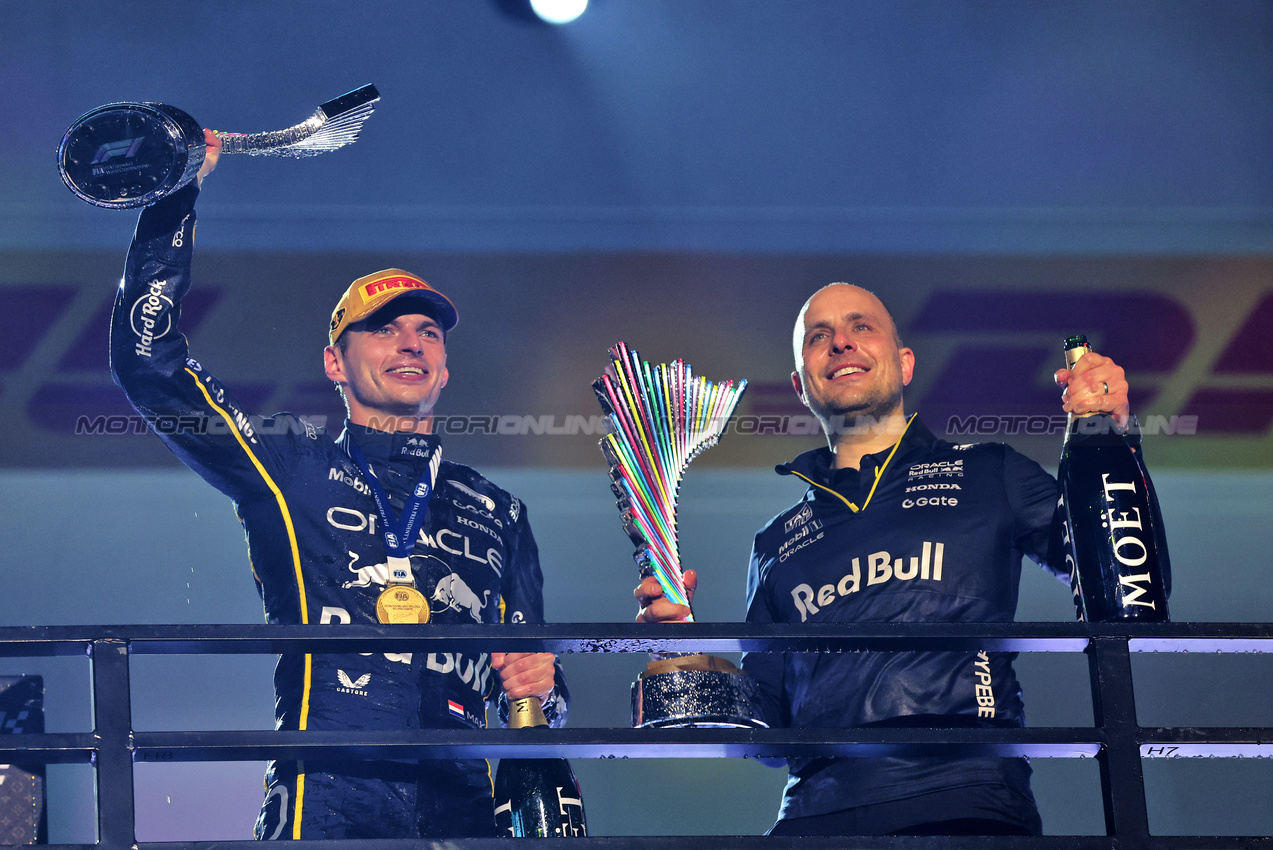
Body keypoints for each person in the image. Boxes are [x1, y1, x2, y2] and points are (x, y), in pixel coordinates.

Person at [111, 131, 568, 840]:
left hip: (462, 809)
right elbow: (151, 367)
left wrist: (543, 687)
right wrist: (175, 200)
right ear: (334, 362)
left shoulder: (498, 511)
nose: (411, 342)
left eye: (427, 333)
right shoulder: (290, 466)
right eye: (383, 329)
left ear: (444, 369)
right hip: (324, 797)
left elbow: (536, 684)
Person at [637, 281, 1154, 836]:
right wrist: (687, 655)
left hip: (967, 807)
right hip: (814, 823)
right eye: (819, 336)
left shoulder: (989, 472)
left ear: (905, 363)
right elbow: (768, 729)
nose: (841, 343)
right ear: (799, 384)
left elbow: (1133, 586)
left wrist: (1113, 433)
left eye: (862, 327)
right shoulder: (774, 544)